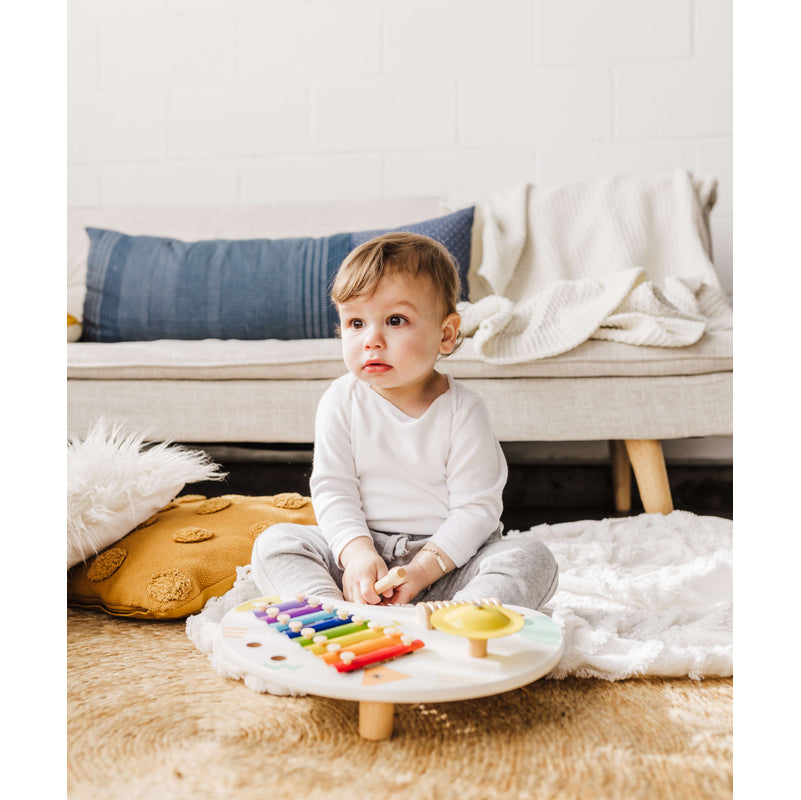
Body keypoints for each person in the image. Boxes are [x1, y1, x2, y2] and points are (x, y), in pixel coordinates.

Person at [251, 232, 558, 608]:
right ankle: (330, 608)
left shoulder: (464, 410)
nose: (371, 340)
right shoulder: (340, 400)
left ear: (446, 335)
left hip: (446, 561)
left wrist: (422, 571)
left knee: (530, 557)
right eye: (356, 323)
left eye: (395, 320)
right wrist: (357, 555)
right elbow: (334, 489)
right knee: (276, 543)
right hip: (364, 553)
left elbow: (476, 510)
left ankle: (458, 617)